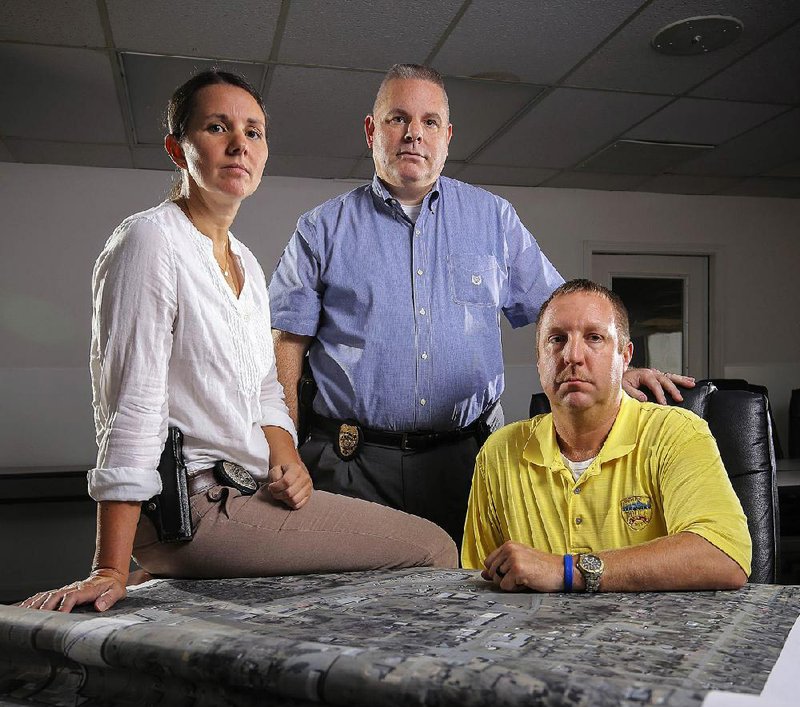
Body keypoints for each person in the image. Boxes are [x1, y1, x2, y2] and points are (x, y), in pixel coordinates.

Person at [20, 70, 457, 614]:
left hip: (249, 493)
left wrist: (286, 458)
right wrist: (110, 568)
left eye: (253, 132)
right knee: (435, 548)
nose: (238, 145)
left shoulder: (244, 262)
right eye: (217, 127)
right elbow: (131, 407)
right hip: (196, 510)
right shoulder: (150, 241)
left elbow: (266, 390)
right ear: (177, 149)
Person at [269, 64, 693, 548]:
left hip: (467, 464)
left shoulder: (493, 219)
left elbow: (564, 309)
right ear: (371, 130)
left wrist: (613, 368)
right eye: (397, 119)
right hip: (352, 466)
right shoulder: (321, 228)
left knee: (469, 610)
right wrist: (284, 447)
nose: (414, 134)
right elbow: (289, 341)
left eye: (430, 122)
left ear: (447, 137)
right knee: (353, 616)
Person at [461, 279, 751, 592]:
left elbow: (723, 555)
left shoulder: (676, 433)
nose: (572, 355)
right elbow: (480, 581)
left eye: (594, 338)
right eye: (557, 339)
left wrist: (568, 571)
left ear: (625, 356)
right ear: (539, 360)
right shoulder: (500, 452)